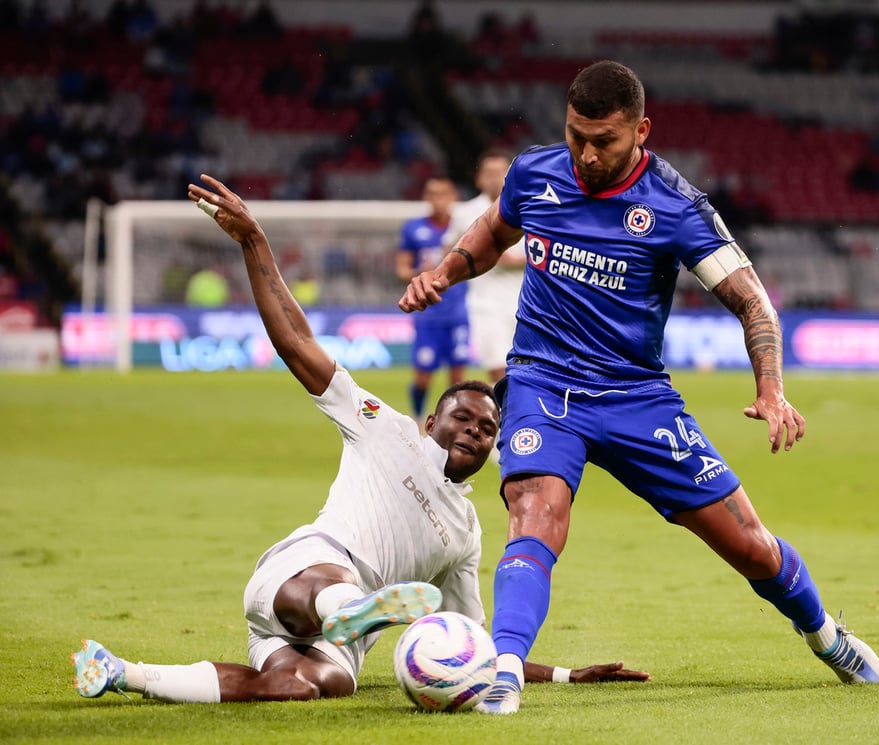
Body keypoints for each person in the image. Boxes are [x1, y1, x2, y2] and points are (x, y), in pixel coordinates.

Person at [399, 60, 879, 715]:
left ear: (641, 131)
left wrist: (770, 390)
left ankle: (826, 634)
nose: (587, 153)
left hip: (636, 397)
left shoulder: (675, 206)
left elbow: (753, 303)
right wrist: (447, 270)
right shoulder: (535, 173)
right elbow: (493, 232)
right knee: (535, 516)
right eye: (577, 136)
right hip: (543, 383)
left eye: (604, 140)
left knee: (748, 544)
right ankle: (503, 670)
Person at [70, 173, 650, 704]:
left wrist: (570, 675)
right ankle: (352, 608)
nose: (475, 430)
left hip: (320, 640)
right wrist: (253, 242)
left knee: (308, 688)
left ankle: (120, 672)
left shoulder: (466, 534)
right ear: (430, 422)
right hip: (306, 571)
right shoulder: (384, 428)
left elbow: (475, 643)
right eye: (462, 418)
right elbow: (298, 343)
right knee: (335, 583)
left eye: (488, 429)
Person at [443, 149, 526, 383]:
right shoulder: (463, 213)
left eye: (500, 172)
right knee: (498, 371)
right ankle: (504, 418)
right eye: (489, 173)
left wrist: (516, 261)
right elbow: (449, 250)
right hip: (485, 305)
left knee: (524, 370)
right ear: (479, 178)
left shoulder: (528, 207)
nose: (494, 178)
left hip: (525, 302)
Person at [395, 175, 469, 430]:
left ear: (453, 197)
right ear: (426, 198)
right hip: (428, 315)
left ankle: (451, 426)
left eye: (444, 194)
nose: (439, 200)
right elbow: (402, 269)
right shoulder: (413, 228)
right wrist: (419, 270)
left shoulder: (464, 229)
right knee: (423, 377)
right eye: (433, 194)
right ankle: (417, 420)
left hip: (458, 313)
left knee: (457, 378)